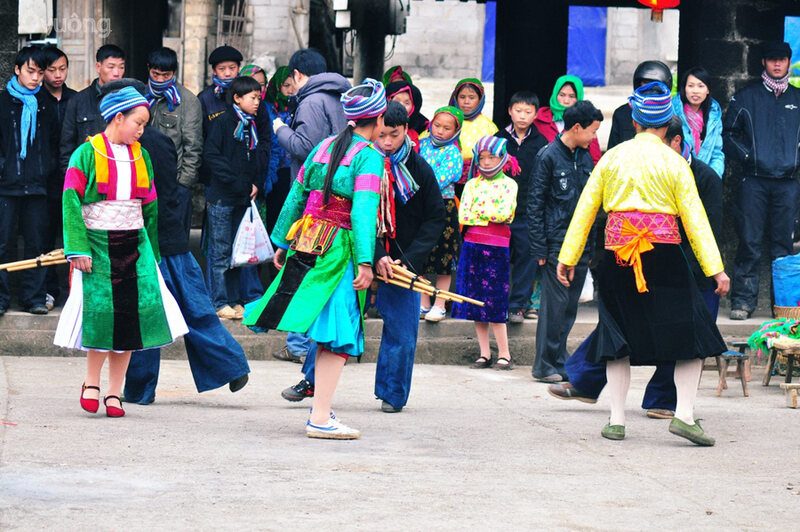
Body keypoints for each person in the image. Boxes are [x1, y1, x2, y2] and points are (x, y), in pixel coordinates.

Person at [557, 81, 729, 445]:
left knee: (616, 335)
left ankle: (616, 420)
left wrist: (568, 257)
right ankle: (683, 415)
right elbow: (696, 219)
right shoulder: (675, 162)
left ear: (634, 122)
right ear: (668, 124)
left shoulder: (611, 158)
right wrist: (716, 269)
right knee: (693, 335)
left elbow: (585, 210)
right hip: (664, 255)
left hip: (617, 254)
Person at [243, 79, 387, 439]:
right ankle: (320, 416)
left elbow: (297, 194)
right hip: (338, 248)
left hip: (307, 237)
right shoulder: (369, 157)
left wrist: (281, 239)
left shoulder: (323, 146)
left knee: (327, 333)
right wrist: (367, 261)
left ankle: (321, 410)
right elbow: (364, 212)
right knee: (339, 334)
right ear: (379, 117)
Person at [280, 101, 446, 412]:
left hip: (403, 262)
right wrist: (374, 255)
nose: (385, 143)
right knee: (333, 318)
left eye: (393, 136)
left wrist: (406, 260)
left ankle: (392, 393)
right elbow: (358, 214)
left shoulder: (420, 168)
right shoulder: (362, 160)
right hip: (359, 253)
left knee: (401, 328)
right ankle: (311, 381)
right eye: (381, 135)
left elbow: (435, 218)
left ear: (406, 132)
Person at [101, 79, 251, 404]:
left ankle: (140, 390)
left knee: (145, 316)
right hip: (170, 241)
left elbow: (156, 197)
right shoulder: (155, 140)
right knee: (194, 309)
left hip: (148, 243)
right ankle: (230, 364)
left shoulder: (135, 146)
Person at [54, 86, 188, 418]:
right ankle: (91, 383)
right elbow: (71, 202)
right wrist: (77, 248)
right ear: (118, 117)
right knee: (99, 315)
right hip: (97, 245)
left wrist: (153, 253)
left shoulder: (141, 155)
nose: (141, 130)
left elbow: (151, 208)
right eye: (138, 123)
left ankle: (115, 392)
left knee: (132, 318)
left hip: (135, 244)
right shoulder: (85, 155)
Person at [269, 49, 350, 365]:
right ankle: (312, 342)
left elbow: (306, 147)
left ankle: (299, 343)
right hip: (335, 200)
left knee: (302, 267)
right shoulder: (337, 97)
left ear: (297, 74)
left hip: (314, 203)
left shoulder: (312, 102)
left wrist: (279, 129)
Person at [724, 40, 800, 320]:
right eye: (772, 60)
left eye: (782, 59)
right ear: (763, 63)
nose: (777, 64)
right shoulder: (747, 98)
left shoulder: (798, 98)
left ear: (789, 62)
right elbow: (729, 135)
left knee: (783, 246)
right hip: (753, 181)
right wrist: (750, 157)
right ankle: (743, 302)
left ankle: (783, 306)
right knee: (749, 241)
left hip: (788, 182)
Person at [529, 101, 602, 382]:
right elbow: (535, 203)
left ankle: (559, 360)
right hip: (556, 245)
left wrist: (592, 245)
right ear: (576, 128)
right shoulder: (548, 156)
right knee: (555, 307)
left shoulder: (584, 157)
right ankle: (544, 364)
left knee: (570, 308)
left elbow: (591, 202)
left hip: (581, 244)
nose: (595, 137)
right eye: (593, 131)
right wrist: (539, 247)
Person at [197, 45, 266, 308]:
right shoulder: (224, 121)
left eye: (259, 98)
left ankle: (235, 299)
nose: (257, 102)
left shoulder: (251, 124)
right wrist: (237, 182)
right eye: (252, 98)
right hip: (223, 197)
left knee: (239, 251)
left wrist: (256, 183)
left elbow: (257, 157)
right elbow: (212, 156)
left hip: (242, 197)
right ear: (237, 98)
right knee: (220, 251)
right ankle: (218, 301)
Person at [0, 46, 60, 316]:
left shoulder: (46, 105)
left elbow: (53, 144)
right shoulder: (2, 102)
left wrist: (45, 171)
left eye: (39, 72)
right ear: (17, 70)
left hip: (37, 185)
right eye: (30, 71)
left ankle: (33, 298)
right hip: (5, 186)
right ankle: (1, 299)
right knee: (3, 242)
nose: (36, 78)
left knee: (37, 244)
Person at [452, 136, 517, 369]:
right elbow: (464, 216)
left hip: (497, 247)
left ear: (503, 158)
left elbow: (505, 214)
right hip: (472, 246)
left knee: (496, 301)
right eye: (483, 158)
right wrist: (489, 212)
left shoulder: (510, 184)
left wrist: (481, 212)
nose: (487, 162)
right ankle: (484, 353)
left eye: (493, 157)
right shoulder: (471, 185)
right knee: (476, 301)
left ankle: (505, 354)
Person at [495, 91, 548, 323]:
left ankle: (517, 305)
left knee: (526, 257)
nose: (522, 116)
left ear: (536, 114)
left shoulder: (542, 142)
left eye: (528, 112)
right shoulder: (498, 139)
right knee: (500, 256)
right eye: (518, 110)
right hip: (499, 211)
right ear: (509, 111)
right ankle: (497, 302)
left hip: (527, 210)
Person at [418, 106, 464, 322]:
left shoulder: (454, 152)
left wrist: (420, 183)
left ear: (455, 131)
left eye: (447, 128)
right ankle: (423, 302)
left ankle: (440, 303)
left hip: (443, 207)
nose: (440, 131)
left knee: (444, 258)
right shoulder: (421, 144)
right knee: (421, 254)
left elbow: (444, 177)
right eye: (437, 125)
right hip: (420, 205)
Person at [40, 45, 77, 310]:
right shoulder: (35, 100)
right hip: (43, 181)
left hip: (71, 180)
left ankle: (73, 291)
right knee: (43, 237)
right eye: (51, 70)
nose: (57, 75)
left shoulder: (75, 100)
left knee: (73, 237)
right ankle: (47, 291)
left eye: (62, 69)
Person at [60, 44, 125, 174]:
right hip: (88, 177)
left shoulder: (128, 101)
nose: (117, 73)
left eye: (121, 67)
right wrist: (72, 180)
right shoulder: (78, 101)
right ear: (98, 67)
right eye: (111, 67)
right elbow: (66, 148)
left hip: (120, 174)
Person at [145, 47, 203, 189]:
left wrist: (183, 184)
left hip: (172, 181)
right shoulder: (139, 95)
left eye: (166, 75)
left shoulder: (188, 101)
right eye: (155, 74)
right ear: (148, 69)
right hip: (141, 178)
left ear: (174, 72)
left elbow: (193, 147)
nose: (160, 80)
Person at [533, 75, 602, 164]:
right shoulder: (539, 118)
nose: (566, 101)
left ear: (578, 98)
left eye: (572, 96)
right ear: (555, 94)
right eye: (562, 95)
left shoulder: (585, 121)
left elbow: (595, 159)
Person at [261, 66, 296, 235]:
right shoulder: (267, 109)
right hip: (273, 169)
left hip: (294, 170)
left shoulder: (299, 107)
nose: (290, 90)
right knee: (274, 214)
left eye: (293, 85)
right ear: (277, 86)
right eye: (286, 86)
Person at [672, 67, 724, 178]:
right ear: (684, 88)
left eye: (700, 86)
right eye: (690, 86)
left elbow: (716, 152)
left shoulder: (714, 115)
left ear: (708, 90)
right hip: (677, 178)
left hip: (705, 179)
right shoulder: (673, 111)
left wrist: (713, 176)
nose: (695, 91)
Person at [607, 60, 672, 150]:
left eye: (654, 85)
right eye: (645, 83)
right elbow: (613, 147)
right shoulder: (622, 113)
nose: (649, 88)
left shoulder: (669, 114)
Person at [448, 78, 498, 184]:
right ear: (455, 99)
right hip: (446, 182)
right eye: (462, 97)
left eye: (472, 97)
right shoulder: (446, 121)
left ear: (480, 100)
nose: (466, 102)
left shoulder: (489, 127)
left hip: (478, 183)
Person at [386, 80, 428, 148]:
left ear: (413, 108)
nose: (401, 106)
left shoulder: (421, 129)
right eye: (397, 101)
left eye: (407, 103)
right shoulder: (377, 125)